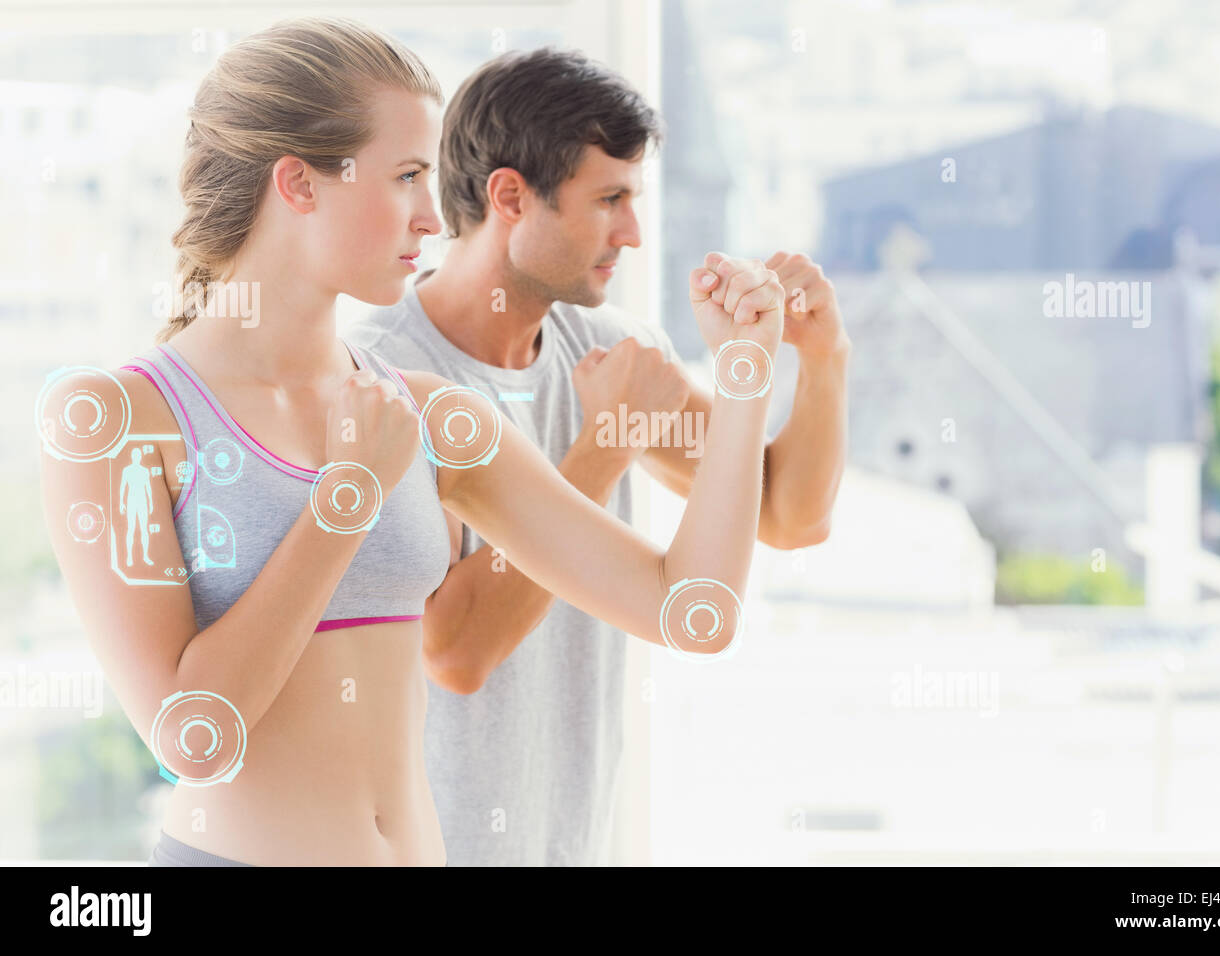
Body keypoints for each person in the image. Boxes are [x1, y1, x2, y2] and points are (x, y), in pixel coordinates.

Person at [37, 17, 783, 866]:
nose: (433, 218)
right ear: (300, 183)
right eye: (406, 177)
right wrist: (347, 496)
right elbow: (194, 737)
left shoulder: (423, 414)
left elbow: (690, 608)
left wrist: (746, 375)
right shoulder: (122, 421)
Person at [346, 47, 850, 866]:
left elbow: (788, 516)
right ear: (510, 196)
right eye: (609, 199)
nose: (634, 232)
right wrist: (607, 443)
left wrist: (821, 359)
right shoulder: (385, 380)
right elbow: (456, 650)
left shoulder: (611, 351)